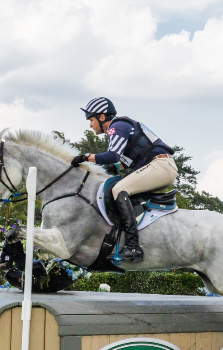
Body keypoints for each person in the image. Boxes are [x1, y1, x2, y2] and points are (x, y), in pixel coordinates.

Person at [72, 97, 177, 263]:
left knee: (119, 189)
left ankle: (133, 247)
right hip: (158, 166)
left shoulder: (117, 126)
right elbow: (123, 161)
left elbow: (112, 156)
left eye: (91, 120)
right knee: (121, 187)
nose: (90, 125)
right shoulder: (119, 129)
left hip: (161, 166)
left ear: (101, 117)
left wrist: (85, 157)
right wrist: (114, 168)